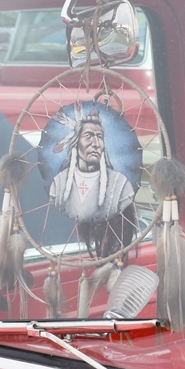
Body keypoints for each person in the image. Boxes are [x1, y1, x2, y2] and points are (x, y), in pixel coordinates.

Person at [48, 106, 136, 256]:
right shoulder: (58, 184)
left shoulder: (120, 184)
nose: (96, 143)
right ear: (75, 142)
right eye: (88, 136)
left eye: (100, 137)